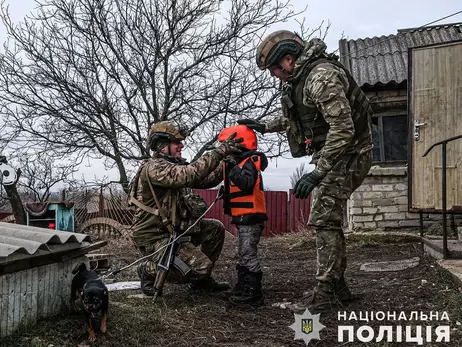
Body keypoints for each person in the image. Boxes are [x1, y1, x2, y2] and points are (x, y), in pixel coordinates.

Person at [238, 30, 373, 313]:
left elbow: (343, 128)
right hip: (338, 152)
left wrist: (317, 173)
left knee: (323, 216)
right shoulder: (303, 79)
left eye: (275, 70)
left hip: (351, 152)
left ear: (288, 60)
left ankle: (325, 292)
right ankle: (338, 287)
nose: (276, 76)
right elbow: (300, 117)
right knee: (328, 218)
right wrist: (265, 126)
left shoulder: (321, 77)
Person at [128, 120, 245, 296]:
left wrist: (226, 164)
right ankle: (147, 269)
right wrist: (220, 151)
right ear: (162, 146)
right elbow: (190, 175)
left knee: (215, 229)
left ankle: (202, 283)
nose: (181, 145)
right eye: (176, 142)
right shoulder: (154, 168)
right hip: (155, 236)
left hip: (175, 230)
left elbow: (204, 180)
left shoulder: (173, 166)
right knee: (200, 267)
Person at [218, 125, 268, 306]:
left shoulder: (248, 162)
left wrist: (232, 168)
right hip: (243, 216)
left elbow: (246, 183)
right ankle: (243, 286)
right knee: (243, 253)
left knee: (248, 254)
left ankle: (253, 293)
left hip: (251, 217)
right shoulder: (241, 163)